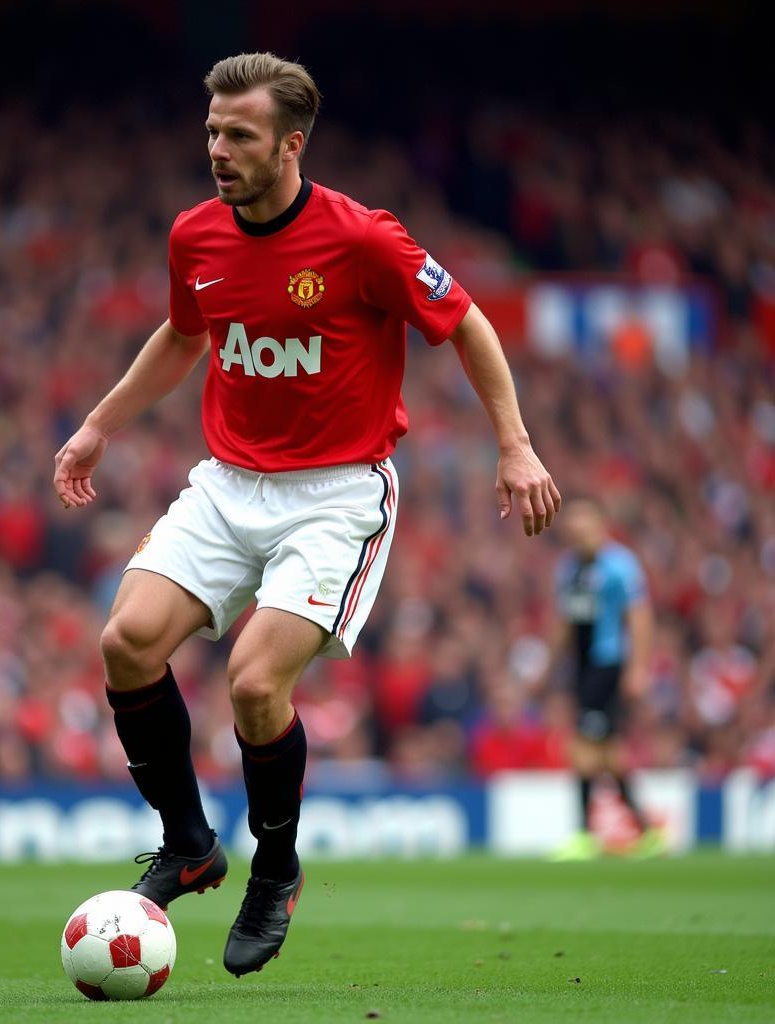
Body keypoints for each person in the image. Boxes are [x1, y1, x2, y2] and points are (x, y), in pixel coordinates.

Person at [53, 52, 561, 976]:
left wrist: (515, 443)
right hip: (228, 481)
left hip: (336, 493)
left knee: (254, 685)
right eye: (211, 130)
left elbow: (469, 321)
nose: (217, 148)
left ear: (290, 144)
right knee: (126, 641)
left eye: (238, 134)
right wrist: (97, 427)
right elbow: (182, 333)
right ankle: (191, 843)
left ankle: (275, 867)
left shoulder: (364, 240)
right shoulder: (195, 237)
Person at [542, 496, 664, 860]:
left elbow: (640, 618)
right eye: (573, 523)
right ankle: (646, 831)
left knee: (582, 747)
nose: (578, 529)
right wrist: (549, 666)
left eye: (585, 522)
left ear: (601, 524)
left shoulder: (620, 565)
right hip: (582, 668)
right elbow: (566, 621)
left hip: (607, 664)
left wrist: (638, 669)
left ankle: (584, 834)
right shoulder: (568, 568)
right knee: (609, 754)